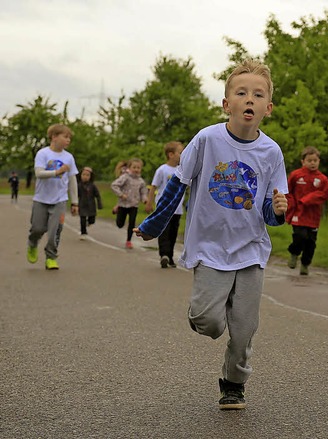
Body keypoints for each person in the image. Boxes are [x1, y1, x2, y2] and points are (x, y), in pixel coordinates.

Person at [134, 59, 288, 411]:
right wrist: (154, 223)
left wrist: (278, 211)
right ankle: (205, 313)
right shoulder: (207, 139)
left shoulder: (271, 152)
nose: (249, 99)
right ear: (226, 103)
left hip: (250, 250)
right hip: (209, 247)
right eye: (241, 92)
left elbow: (270, 209)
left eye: (258, 94)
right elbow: (178, 184)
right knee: (209, 322)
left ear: (268, 107)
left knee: (245, 328)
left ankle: (233, 384)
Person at [26, 124, 79, 270]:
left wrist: (75, 202)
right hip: (41, 199)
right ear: (54, 137)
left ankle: (51, 257)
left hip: (59, 200)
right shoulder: (43, 154)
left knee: (55, 230)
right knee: (37, 228)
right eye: (65, 137)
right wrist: (57, 172)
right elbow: (39, 173)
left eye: (69, 138)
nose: (68, 140)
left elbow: (72, 180)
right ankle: (32, 243)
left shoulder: (69, 157)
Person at [285, 146, 328, 275]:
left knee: (311, 242)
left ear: (319, 161)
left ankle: (305, 264)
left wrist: (308, 199)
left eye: (315, 160)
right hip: (298, 214)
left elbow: (326, 194)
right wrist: (292, 205)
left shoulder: (322, 179)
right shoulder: (296, 175)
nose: (312, 163)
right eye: (309, 160)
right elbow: (287, 191)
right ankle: (294, 253)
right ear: (303, 161)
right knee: (300, 236)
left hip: (313, 216)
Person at [145, 141, 185, 268]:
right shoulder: (162, 170)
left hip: (177, 208)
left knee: (173, 233)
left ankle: (170, 256)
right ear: (171, 154)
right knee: (164, 232)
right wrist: (149, 202)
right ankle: (164, 255)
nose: (183, 155)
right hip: (164, 207)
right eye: (180, 152)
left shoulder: (183, 170)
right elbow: (153, 187)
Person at [111, 158, 148, 249]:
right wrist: (121, 194)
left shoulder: (141, 181)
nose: (136, 169)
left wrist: (144, 199)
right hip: (123, 204)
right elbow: (114, 185)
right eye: (134, 167)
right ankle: (117, 208)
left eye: (138, 168)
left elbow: (143, 191)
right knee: (120, 224)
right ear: (129, 168)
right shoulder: (125, 177)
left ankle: (128, 241)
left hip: (134, 205)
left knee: (132, 223)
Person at [77, 167, 103, 239]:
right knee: (82, 219)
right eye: (83, 175)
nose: (85, 177)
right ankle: (83, 233)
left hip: (91, 205)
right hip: (82, 205)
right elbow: (76, 195)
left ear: (90, 176)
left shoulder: (93, 186)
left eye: (87, 175)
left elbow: (97, 195)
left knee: (92, 220)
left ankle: (88, 223)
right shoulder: (79, 185)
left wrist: (99, 204)